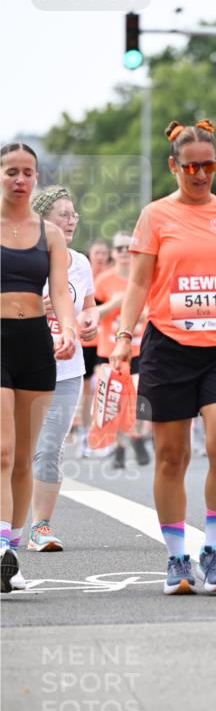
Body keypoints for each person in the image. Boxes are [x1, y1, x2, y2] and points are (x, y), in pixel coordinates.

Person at [110, 118, 216, 595]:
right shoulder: (155, 216)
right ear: (173, 166)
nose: (200, 175)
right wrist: (123, 335)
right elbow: (138, 283)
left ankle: (213, 550)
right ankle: (177, 557)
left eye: (209, 166)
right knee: (171, 456)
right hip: (168, 347)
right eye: (191, 167)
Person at [0, 144, 76, 592]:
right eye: (11, 171)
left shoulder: (50, 234)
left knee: (23, 458)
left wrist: (67, 330)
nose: (20, 180)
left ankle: (11, 553)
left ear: (36, 178)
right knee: (3, 450)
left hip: (35, 345)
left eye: (28, 172)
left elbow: (60, 291)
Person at [28, 187, 99, 551]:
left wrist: (89, 321)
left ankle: (40, 527)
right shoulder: (20, 259)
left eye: (74, 215)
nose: (72, 221)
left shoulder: (80, 263)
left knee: (50, 447)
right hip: (21, 366)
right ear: (42, 220)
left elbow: (89, 305)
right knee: (12, 449)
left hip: (67, 369)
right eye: (64, 214)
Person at [96, 231, 151, 468]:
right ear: (113, 253)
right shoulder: (103, 281)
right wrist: (115, 303)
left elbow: (157, 310)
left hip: (139, 350)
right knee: (115, 402)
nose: (124, 253)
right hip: (110, 350)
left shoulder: (146, 277)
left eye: (128, 248)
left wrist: (143, 312)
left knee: (138, 400)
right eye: (119, 248)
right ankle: (120, 448)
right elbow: (93, 315)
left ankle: (137, 436)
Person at [78, 238, 111, 458]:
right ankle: (84, 436)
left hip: (104, 342)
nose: (100, 257)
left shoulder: (110, 278)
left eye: (104, 253)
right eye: (97, 253)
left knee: (103, 389)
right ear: (90, 255)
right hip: (84, 342)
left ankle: (100, 437)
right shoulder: (83, 275)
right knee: (86, 392)